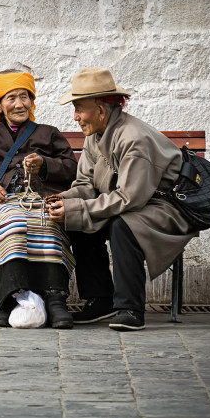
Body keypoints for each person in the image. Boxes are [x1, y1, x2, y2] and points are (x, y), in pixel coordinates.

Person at [47, 67, 194, 331]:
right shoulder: (96, 135)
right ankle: (101, 299)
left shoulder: (133, 138)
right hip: (135, 203)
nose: (75, 117)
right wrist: (62, 200)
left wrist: (78, 207)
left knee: (122, 225)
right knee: (77, 219)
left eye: (79, 108)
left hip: (166, 208)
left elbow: (130, 197)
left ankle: (130, 308)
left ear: (101, 110)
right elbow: (86, 184)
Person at [0, 70, 79, 328]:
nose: (19, 104)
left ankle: (55, 300)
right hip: (1, 206)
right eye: (11, 98)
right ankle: (8, 299)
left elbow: (71, 168)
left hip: (38, 201)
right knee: (14, 222)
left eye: (25, 96)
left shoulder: (49, 133)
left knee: (47, 221)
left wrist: (46, 164)